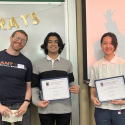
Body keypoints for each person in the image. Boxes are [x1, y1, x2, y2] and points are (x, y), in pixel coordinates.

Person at [31, 32, 79, 125]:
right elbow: (34, 86)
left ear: (60, 45)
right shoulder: (37, 64)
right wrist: (37, 102)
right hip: (45, 109)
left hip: (64, 108)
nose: (53, 44)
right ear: (46, 45)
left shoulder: (67, 63)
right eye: (50, 42)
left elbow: (71, 82)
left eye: (56, 42)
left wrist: (77, 87)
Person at [89, 32, 125, 125]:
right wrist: (92, 97)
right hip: (101, 109)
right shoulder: (95, 66)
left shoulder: (123, 64)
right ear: (101, 45)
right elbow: (93, 87)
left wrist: (123, 102)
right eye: (105, 43)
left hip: (120, 109)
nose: (108, 46)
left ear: (116, 45)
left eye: (111, 43)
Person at [0, 30, 32, 125]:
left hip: (21, 107)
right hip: (1, 106)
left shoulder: (27, 62)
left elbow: (29, 87)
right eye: (17, 37)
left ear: (24, 44)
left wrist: (26, 104)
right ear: (11, 38)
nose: (19, 41)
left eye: (23, 40)